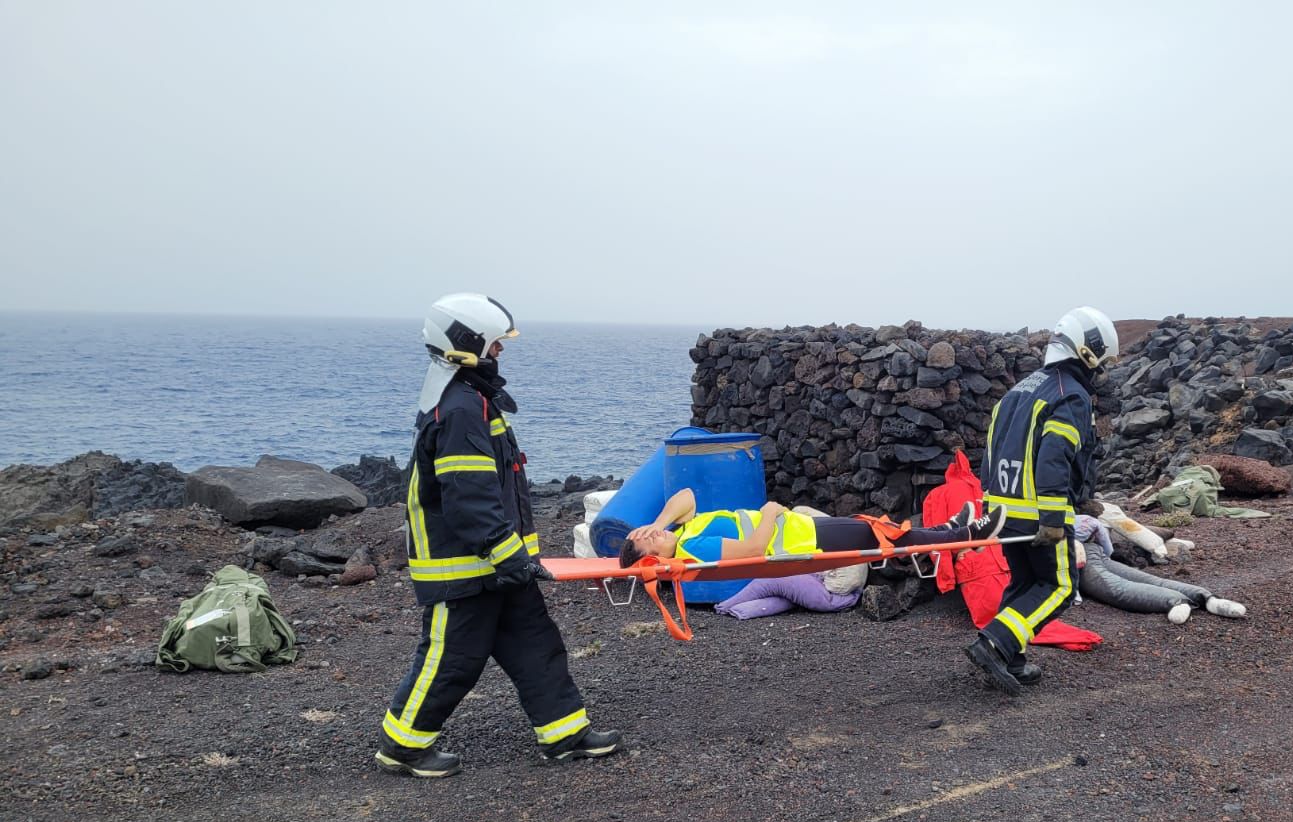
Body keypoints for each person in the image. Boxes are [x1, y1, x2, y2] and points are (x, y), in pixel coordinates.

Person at [375, 293, 620, 778]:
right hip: (467, 568)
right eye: (495, 344)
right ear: (466, 345)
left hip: (498, 567)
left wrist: (514, 562)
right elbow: (469, 497)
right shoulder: (462, 408)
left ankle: (564, 735)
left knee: (536, 645)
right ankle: (402, 747)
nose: (500, 353)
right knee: (453, 659)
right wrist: (508, 556)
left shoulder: (470, 401)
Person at [966, 307, 1113, 696]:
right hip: (1039, 514)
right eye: (1103, 362)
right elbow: (1054, 456)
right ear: (1088, 352)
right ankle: (994, 642)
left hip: (1003, 511)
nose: (1102, 372)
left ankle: (1009, 656)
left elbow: (992, 452)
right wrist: (1052, 514)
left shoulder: (1019, 390)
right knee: (1060, 586)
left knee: (1025, 582)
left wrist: (987, 510)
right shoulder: (1072, 396)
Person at [620, 489, 1003, 566]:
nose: (656, 534)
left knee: (877, 527)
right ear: (654, 559)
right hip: (805, 541)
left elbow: (685, 495)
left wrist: (653, 524)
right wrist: (769, 512)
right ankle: (965, 537)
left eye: (650, 532)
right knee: (881, 535)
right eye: (651, 541)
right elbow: (754, 551)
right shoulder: (693, 549)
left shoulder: (682, 531)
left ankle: (948, 531)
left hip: (805, 528)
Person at [1075, 504, 1246, 624]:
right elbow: (1107, 547)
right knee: (1144, 579)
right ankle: (1206, 597)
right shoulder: (1089, 520)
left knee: (1115, 587)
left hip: (1077, 552)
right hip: (1092, 548)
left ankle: (1178, 601)